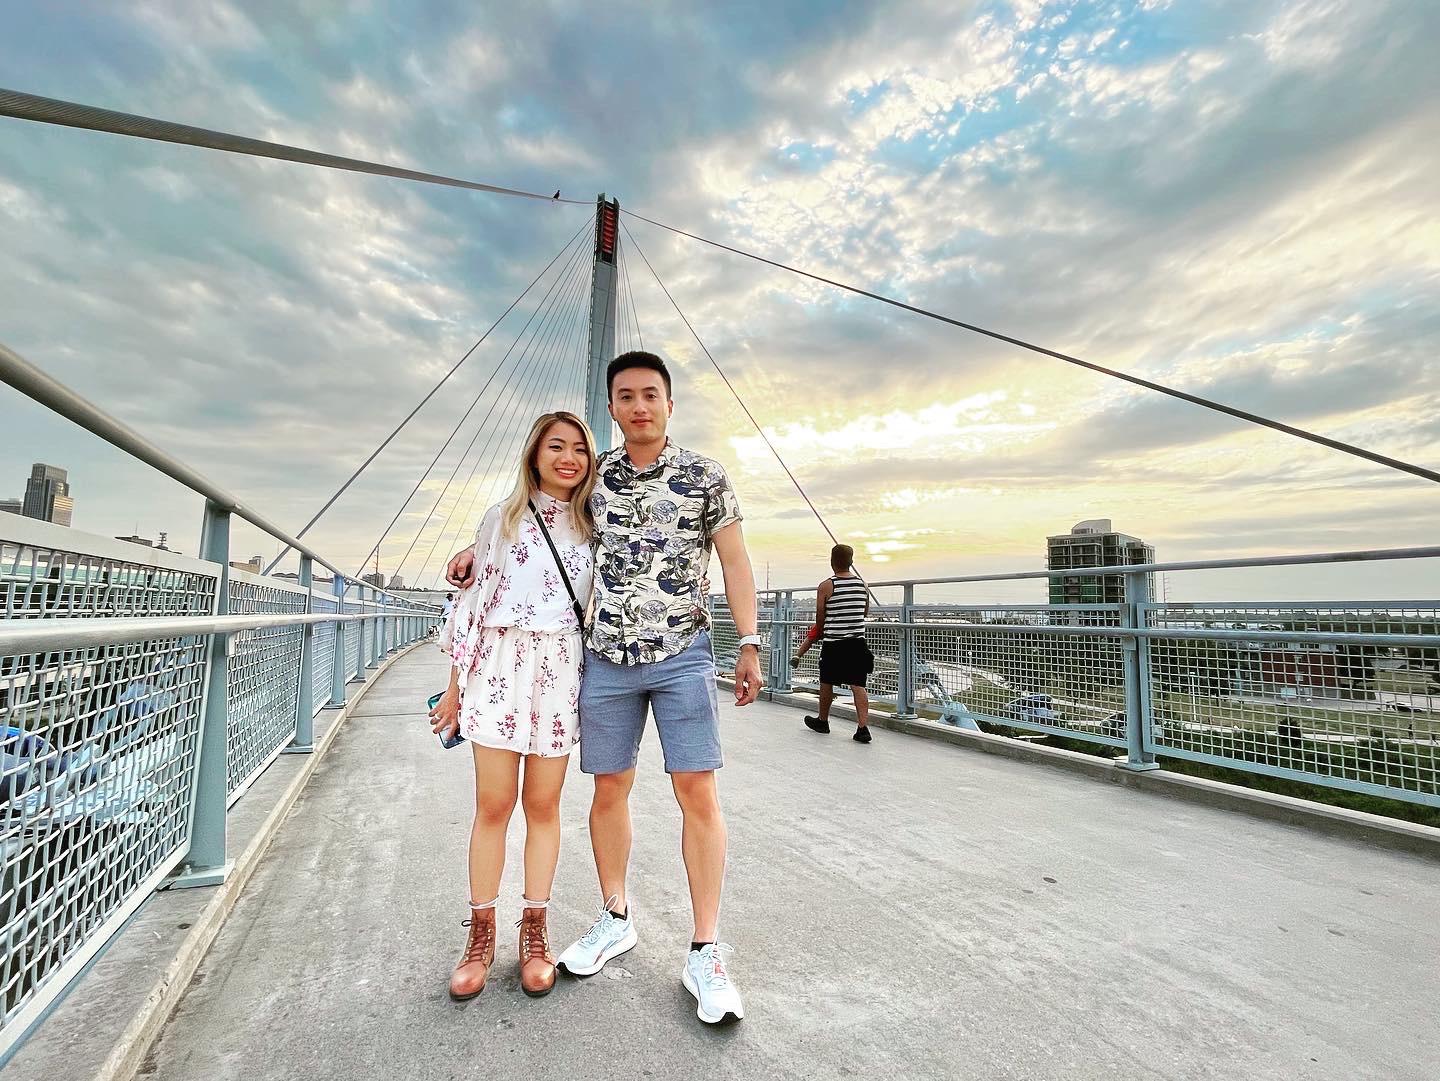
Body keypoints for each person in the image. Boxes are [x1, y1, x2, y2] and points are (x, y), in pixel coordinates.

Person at [445, 350, 763, 1025]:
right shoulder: (598, 480)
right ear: (612, 409)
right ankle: (615, 914)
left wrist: (752, 640)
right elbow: (529, 525)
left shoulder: (705, 474)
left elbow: (734, 559)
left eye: (652, 394)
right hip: (605, 660)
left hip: (681, 652)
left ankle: (706, 946)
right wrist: (475, 554)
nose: (640, 406)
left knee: (696, 789)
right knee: (606, 788)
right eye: (626, 396)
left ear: (669, 404)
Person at [429, 411, 597, 1001]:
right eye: (556, 446)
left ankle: (535, 932)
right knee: (494, 804)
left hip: (558, 673)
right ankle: (480, 936)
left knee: (544, 804)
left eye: (579, 448)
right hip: (498, 667)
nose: (568, 458)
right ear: (534, 455)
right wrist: (455, 686)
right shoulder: (498, 521)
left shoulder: (596, 523)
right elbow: (471, 607)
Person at [792, 543, 872, 743]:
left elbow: (820, 619)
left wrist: (814, 637)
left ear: (831, 562)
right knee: (858, 685)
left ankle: (823, 721)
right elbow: (864, 613)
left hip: (834, 643)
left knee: (827, 681)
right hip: (857, 643)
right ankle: (863, 728)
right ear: (851, 562)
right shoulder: (863, 585)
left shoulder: (827, 585)